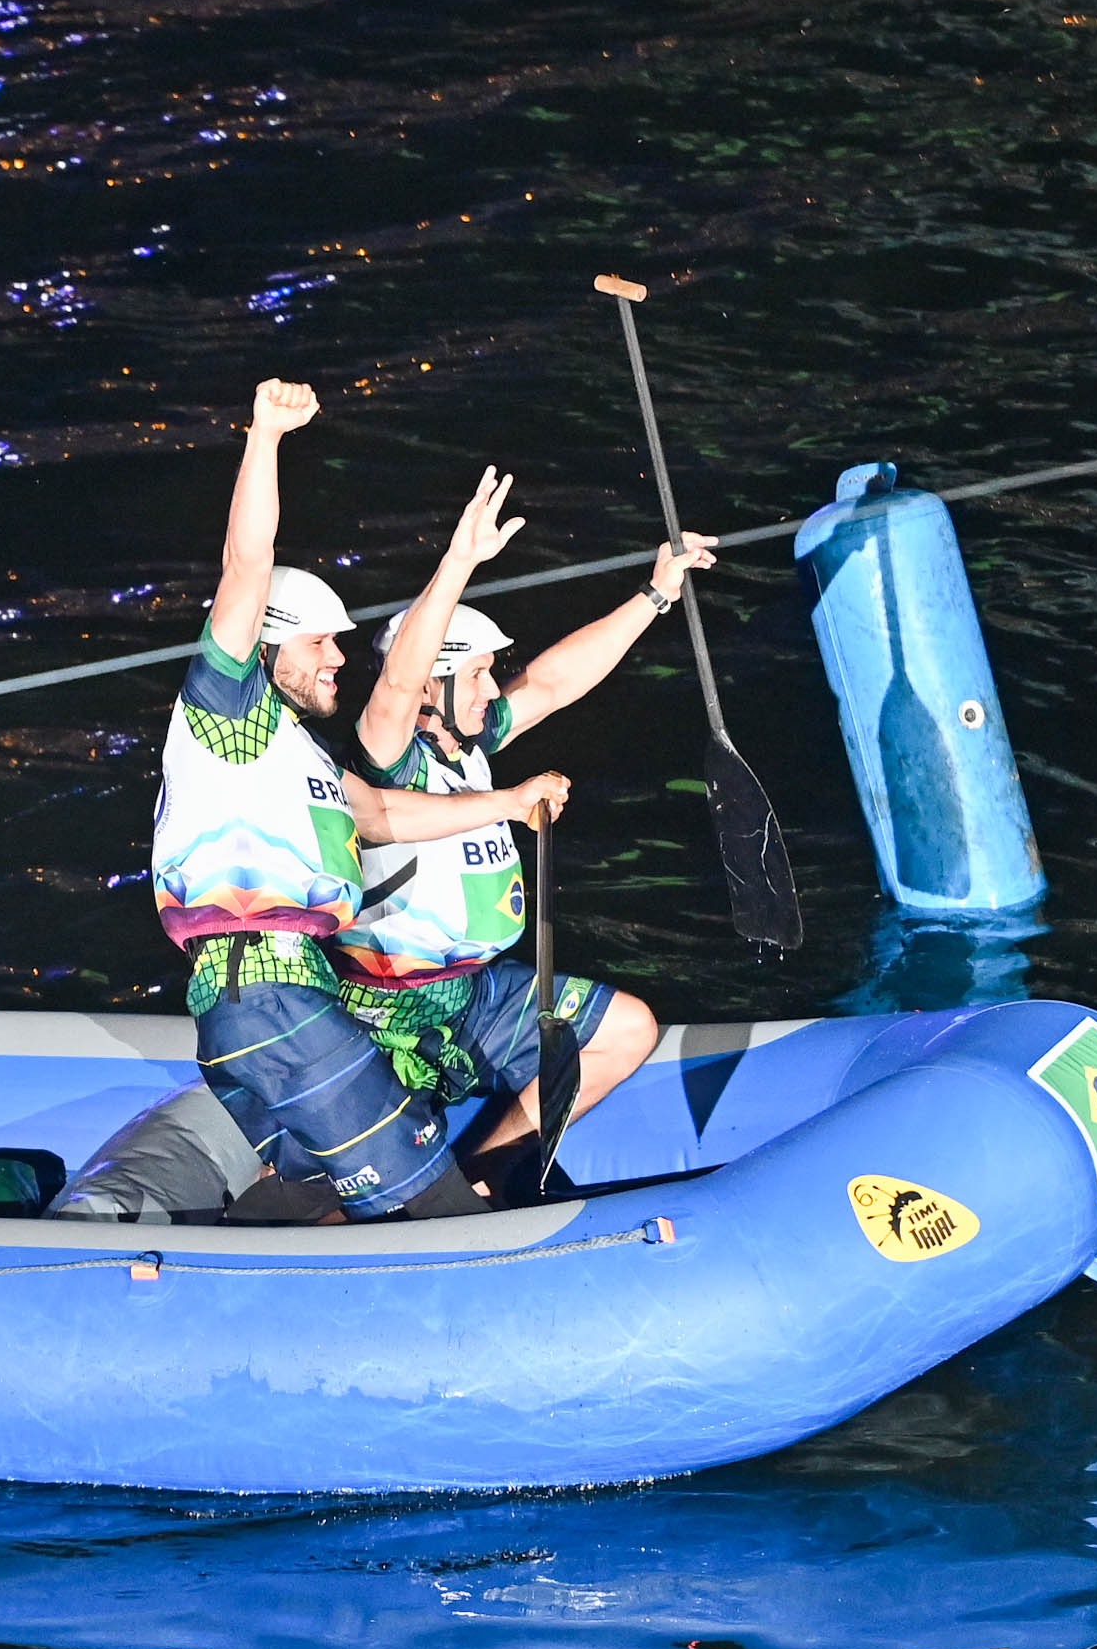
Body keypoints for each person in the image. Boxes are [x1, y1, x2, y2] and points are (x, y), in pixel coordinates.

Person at [148, 381, 567, 1223]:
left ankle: (209, 1270)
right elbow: (246, 566)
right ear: (268, 647)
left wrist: (507, 802)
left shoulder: (298, 754)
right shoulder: (228, 713)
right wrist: (265, 435)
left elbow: (384, 816)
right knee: (432, 1201)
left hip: (280, 995)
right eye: (319, 643)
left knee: (310, 1194)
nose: (339, 657)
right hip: (268, 992)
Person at [340, 471, 717, 1192]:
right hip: (388, 1017)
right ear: (433, 685)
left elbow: (553, 682)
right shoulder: (389, 757)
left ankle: (484, 1171)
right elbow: (396, 684)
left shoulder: (472, 749)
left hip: (477, 996)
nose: (493, 688)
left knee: (629, 1029)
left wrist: (656, 592)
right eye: (478, 674)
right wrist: (460, 560)